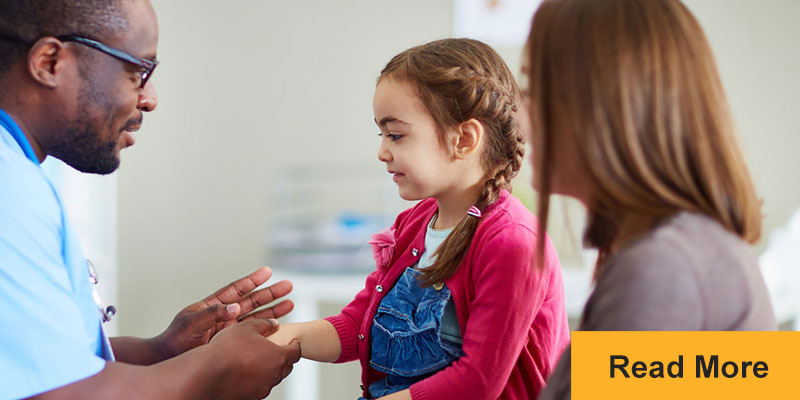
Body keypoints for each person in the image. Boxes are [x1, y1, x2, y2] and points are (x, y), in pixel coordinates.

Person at [0, 1, 300, 399]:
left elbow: (38, 366)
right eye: (138, 71)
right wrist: (213, 370)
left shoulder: (18, 171)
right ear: (50, 62)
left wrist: (159, 352)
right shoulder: (11, 189)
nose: (149, 98)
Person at [266, 38, 570, 400]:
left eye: (396, 135)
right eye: (382, 134)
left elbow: (477, 383)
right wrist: (282, 340)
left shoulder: (513, 244)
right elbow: (357, 326)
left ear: (464, 139)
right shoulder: (412, 225)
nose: (382, 151)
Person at [517, 0, 778, 398]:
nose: (520, 116)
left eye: (534, 91)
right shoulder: (687, 252)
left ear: (603, 103)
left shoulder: (664, 270)